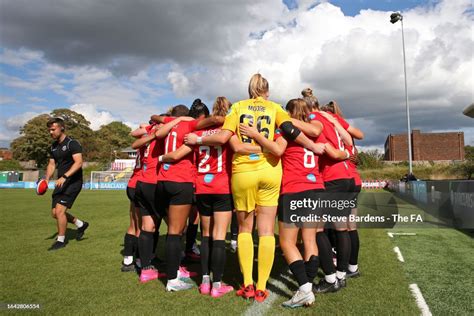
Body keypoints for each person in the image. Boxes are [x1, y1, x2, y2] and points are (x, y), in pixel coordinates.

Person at [185, 74, 325, 302]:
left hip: (244, 173)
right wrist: (311, 146)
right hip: (270, 172)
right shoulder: (275, 108)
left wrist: (198, 141)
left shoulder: (238, 107)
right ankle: (262, 287)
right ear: (266, 91)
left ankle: (248, 284)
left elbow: (225, 140)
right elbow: (289, 135)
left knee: (244, 230)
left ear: (249, 90)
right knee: (267, 231)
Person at [240, 98, 349, 307]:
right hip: (317, 188)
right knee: (310, 240)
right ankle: (307, 283)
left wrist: (257, 136)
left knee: (287, 242)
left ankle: (305, 288)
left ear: (287, 113)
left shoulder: (285, 131)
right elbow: (321, 136)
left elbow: (277, 150)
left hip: (294, 189)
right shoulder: (314, 128)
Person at [301, 88, 355, 293]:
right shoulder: (331, 118)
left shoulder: (314, 118)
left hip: (332, 177)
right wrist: (345, 155)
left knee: (317, 229)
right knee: (342, 228)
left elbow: (324, 145)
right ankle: (341, 274)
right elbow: (350, 141)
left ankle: (331, 279)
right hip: (346, 176)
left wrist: (336, 154)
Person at [44, 117, 89, 251]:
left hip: (73, 182)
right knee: (54, 213)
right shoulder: (53, 146)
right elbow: (52, 164)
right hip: (61, 182)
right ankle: (81, 224)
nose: (51, 132)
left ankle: (61, 240)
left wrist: (64, 176)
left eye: (53, 129)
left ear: (61, 128)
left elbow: (78, 162)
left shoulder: (72, 143)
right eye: (49, 130)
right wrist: (46, 179)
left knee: (60, 211)